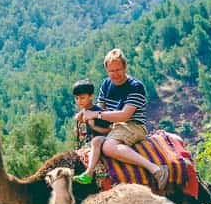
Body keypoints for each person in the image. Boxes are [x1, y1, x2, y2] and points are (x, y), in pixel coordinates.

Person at [73, 49, 170, 190]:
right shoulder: (106, 84)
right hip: (114, 127)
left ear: (125, 67)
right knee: (96, 141)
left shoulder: (135, 86)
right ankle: (89, 173)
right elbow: (100, 108)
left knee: (108, 147)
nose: (115, 74)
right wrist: (86, 112)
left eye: (118, 70)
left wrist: (96, 115)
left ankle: (156, 169)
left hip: (133, 126)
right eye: (111, 71)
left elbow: (125, 115)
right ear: (107, 70)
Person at [71, 79, 109, 164]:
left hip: (98, 145)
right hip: (87, 144)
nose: (79, 101)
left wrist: (94, 127)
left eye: (82, 98)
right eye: (76, 98)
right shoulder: (82, 113)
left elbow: (109, 130)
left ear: (91, 96)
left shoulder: (98, 112)